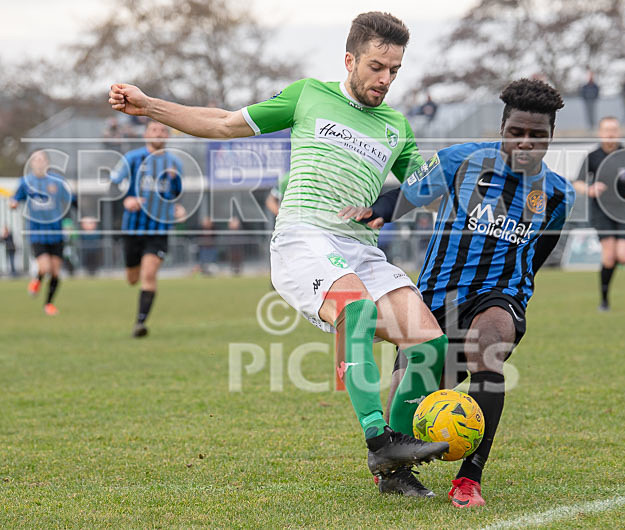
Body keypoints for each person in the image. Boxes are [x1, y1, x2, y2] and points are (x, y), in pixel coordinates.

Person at [108, 11, 451, 487]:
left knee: (430, 344)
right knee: (358, 312)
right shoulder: (309, 95)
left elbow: (426, 184)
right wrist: (149, 107)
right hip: (303, 238)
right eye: (377, 67)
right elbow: (225, 124)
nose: (386, 79)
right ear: (350, 59)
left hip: (361, 249)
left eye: (395, 70)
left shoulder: (397, 126)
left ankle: (394, 469)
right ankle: (379, 442)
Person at [340, 78, 574, 507]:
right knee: (409, 390)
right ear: (502, 128)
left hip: (499, 295)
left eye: (536, 135)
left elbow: (539, 253)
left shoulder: (559, 193)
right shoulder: (462, 159)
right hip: (436, 296)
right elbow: (409, 195)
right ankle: (396, 471)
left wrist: (515, 299)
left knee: (491, 348)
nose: (525, 142)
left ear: (550, 136)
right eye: (516, 132)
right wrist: (378, 213)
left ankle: (469, 478)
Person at [110, 120, 185, 337]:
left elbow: (176, 192)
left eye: (163, 130)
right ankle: (140, 315)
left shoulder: (174, 164)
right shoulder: (132, 159)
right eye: (154, 129)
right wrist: (126, 199)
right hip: (133, 228)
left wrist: (178, 207)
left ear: (168, 136)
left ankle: (140, 323)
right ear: (145, 135)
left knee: (149, 273)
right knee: (133, 278)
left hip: (159, 228)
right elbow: (113, 183)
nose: (159, 133)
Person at [573, 116, 625, 311]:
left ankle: (623, 262)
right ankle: (604, 300)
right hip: (601, 211)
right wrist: (590, 189)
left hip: (623, 210)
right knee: (608, 257)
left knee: (623, 256)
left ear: (618, 132)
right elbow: (578, 183)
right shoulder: (592, 156)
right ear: (600, 133)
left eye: (613, 130)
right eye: (606, 130)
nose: (610, 134)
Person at [9, 150, 75, 315]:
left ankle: (48, 304)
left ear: (47, 162)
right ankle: (37, 280)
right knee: (44, 267)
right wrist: (13, 203)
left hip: (56, 232)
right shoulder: (26, 182)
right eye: (36, 159)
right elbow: (15, 198)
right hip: (37, 232)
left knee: (55, 272)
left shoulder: (57, 182)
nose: (39, 162)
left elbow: (72, 200)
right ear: (31, 163)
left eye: (42, 159)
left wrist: (86, 217)